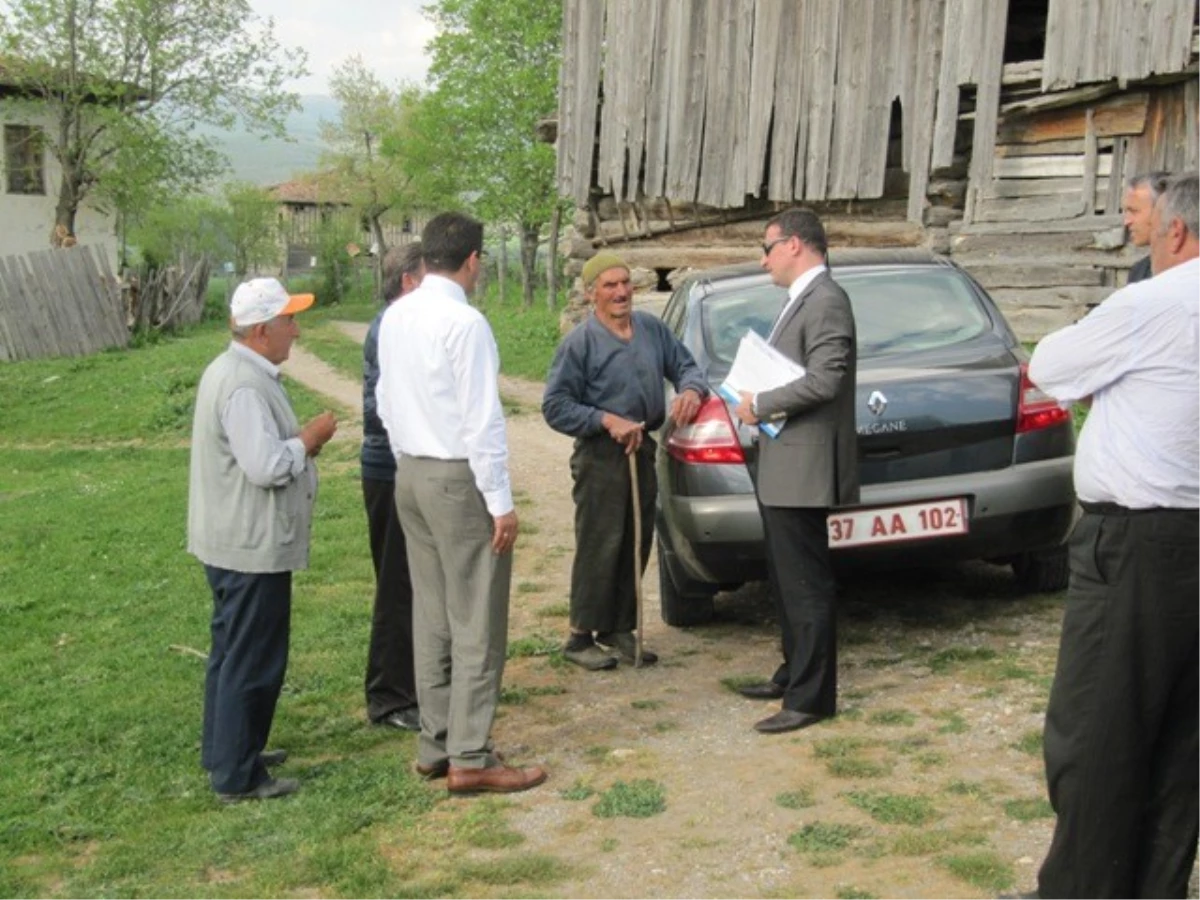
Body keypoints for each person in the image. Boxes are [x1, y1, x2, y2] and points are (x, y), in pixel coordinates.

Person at [997, 174, 1200, 900]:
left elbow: (1049, 366)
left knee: (1097, 730)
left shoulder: (1152, 301)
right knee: (1181, 739)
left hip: (1138, 542)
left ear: (1174, 232)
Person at [376, 212, 546, 794]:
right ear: (473, 259)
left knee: (433, 613)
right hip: (454, 475)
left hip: (412, 472)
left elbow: (383, 398)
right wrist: (500, 501)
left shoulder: (397, 314)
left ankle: (436, 742)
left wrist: (406, 455)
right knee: (477, 615)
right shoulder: (464, 323)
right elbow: (482, 421)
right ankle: (470, 755)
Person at [188, 278, 338, 802]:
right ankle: (238, 775)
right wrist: (308, 440)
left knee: (231, 652)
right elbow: (266, 466)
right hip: (249, 545)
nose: (296, 330)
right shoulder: (245, 385)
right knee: (252, 658)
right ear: (259, 331)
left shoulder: (231, 370)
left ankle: (229, 749)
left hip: (230, 539)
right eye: (288, 321)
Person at [542, 252, 707, 670]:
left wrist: (690, 390)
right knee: (601, 543)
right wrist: (604, 419)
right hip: (601, 456)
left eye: (624, 283)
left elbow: (687, 366)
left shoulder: (650, 329)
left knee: (637, 539)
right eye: (609, 285)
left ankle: (617, 627)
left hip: (642, 447)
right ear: (592, 293)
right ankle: (580, 636)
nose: (620, 292)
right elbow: (556, 406)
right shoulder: (579, 343)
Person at [730, 208, 858, 735]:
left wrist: (760, 402)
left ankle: (812, 698)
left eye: (768, 247)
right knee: (785, 580)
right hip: (784, 462)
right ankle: (793, 671)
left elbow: (827, 379)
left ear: (797, 245)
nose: (764, 260)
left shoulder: (827, 299)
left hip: (805, 464)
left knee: (805, 583)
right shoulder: (800, 299)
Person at [361, 244, 424, 732]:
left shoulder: (399, 324)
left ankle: (413, 685)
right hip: (390, 468)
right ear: (408, 281)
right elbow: (380, 410)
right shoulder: (392, 327)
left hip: (402, 465)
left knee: (412, 580)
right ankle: (388, 697)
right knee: (397, 581)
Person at [1122, 170, 1170, 283]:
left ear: (1161, 211)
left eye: (1134, 211)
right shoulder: (1138, 271)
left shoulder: (1189, 270)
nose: (1126, 221)